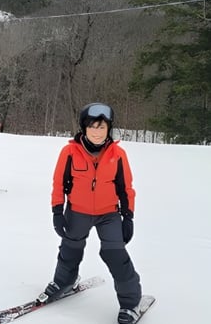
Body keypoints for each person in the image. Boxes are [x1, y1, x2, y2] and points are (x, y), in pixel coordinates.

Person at [42, 102, 143, 324]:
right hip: (77, 211)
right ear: (84, 128)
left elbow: (126, 188)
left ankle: (131, 302)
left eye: (102, 127)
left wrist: (128, 217)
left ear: (109, 129)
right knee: (70, 248)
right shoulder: (69, 152)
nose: (97, 132)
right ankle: (64, 281)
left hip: (109, 214)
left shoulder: (118, 154)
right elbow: (59, 183)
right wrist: (57, 211)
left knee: (116, 255)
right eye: (93, 126)